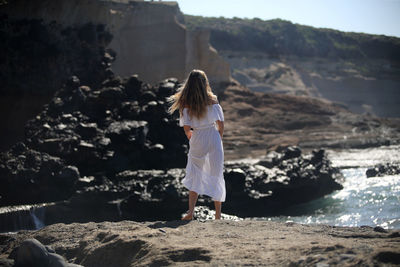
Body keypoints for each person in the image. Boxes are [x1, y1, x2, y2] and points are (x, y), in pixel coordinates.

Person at [168, 69, 226, 220]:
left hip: (198, 137)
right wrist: (218, 137)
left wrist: (190, 136)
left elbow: (187, 127)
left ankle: (190, 213)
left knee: (195, 173)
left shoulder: (186, 103)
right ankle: (218, 215)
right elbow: (221, 123)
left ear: (189, 84)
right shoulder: (212, 100)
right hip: (213, 136)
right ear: (205, 82)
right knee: (216, 173)